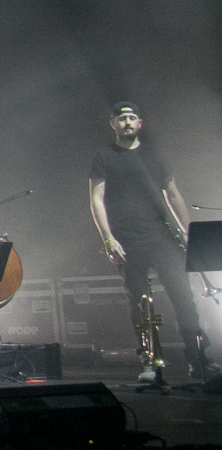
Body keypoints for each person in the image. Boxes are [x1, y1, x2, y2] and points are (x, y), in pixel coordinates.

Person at [89, 102, 217, 381]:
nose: (127, 122)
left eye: (132, 118)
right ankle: (149, 361)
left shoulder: (154, 155)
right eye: (121, 118)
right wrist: (108, 238)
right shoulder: (104, 157)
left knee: (184, 297)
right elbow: (96, 199)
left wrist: (186, 230)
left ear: (139, 123)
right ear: (113, 124)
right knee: (138, 302)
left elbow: (172, 193)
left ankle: (197, 358)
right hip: (126, 238)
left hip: (162, 236)